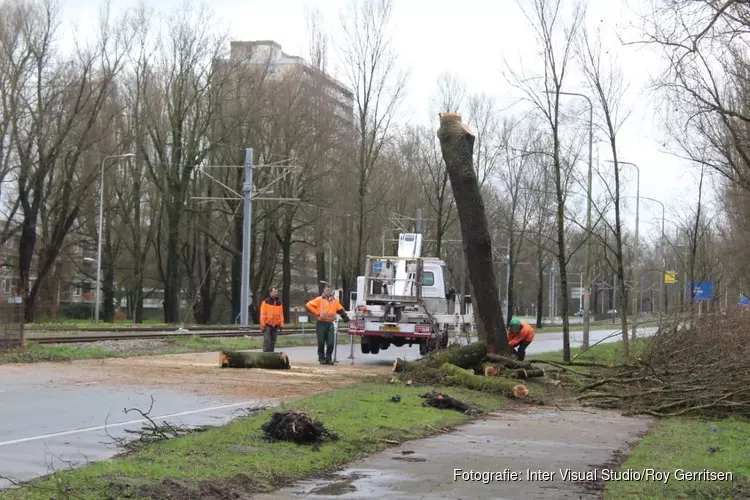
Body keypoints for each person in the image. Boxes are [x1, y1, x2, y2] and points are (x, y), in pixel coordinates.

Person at [306, 285, 350, 365]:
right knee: (321, 342)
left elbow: (340, 309)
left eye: (330, 290)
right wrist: (317, 313)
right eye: (327, 290)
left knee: (330, 342)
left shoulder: (335, 301)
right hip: (321, 323)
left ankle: (328, 358)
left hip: (330, 323)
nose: (329, 292)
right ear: (324, 290)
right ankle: (321, 358)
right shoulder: (319, 299)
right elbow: (308, 305)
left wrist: (345, 317)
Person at [259, 287, 284, 352]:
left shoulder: (279, 303)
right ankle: (265, 354)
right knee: (267, 340)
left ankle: (271, 354)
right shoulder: (265, 302)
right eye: (274, 292)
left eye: (277, 292)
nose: (276, 293)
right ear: (270, 293)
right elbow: (262, 315)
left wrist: (281, 325)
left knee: (273, 341)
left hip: (275, 325)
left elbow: (281, 315)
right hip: (267, 325)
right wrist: (262, 325)